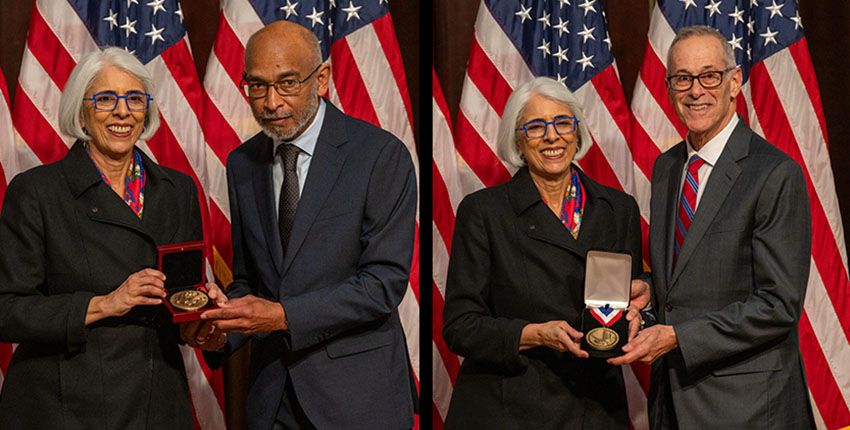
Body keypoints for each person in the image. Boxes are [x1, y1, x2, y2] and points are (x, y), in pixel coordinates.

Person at [199, 21, 417, 430]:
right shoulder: (242, 164)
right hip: (273, 399)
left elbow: (382, 284)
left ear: (321, 79)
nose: (270, 102)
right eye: (257, 86)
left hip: (357, 400)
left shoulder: (381, 156)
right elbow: (250, 279)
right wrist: (222, 324)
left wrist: (282, 316)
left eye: (286, 84)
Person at [0, 47, 225, 429]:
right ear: (82, 112)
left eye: (135, 99)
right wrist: (106, 304)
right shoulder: (35, 192)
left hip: (157, 400)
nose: (123, 111)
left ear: (147, 110)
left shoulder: (179, 191)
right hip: (65, 405)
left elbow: (179, 299)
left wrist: (202, 325)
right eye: (105, 99)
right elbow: (7, 310)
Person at [609, 25, 815, 430]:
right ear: (669, 87)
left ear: (734, 81)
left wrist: (679, 337)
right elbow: (693, 273)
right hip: (673, 400)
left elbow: (778, 305)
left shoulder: (774, 173)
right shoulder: (667, 168)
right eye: (682, 78)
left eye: (709, 76)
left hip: (749, 408)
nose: (695, 90)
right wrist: (652, 291)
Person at [441, 76, 647, 429]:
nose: (552, 136)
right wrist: (535, 334)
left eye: (563, 123)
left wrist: (643, 305)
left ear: (577, 133)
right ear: (518, 142)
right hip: (509, 409)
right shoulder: (484, 212)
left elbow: (636, 292)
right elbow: (461, 327)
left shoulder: (618, 209)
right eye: (536, 127)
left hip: (595, 408)